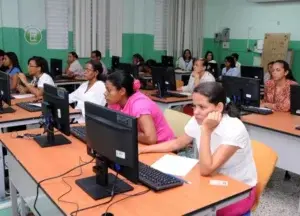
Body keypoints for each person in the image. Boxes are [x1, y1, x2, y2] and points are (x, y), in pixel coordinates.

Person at [140, 82, 257, 216]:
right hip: (207, 181)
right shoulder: (198, 119)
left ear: (219, 107)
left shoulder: (234, 128)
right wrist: (143, 150)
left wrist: (206, 130)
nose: (195, 112)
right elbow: (177, 143)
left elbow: (207, 169)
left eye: (202, 107)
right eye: (194, 106)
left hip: (237, 191)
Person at [105, 71, 175, 144]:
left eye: (109, 90)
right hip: (140, 143)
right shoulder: (115, 102)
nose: (105, 93)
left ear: (122, 91)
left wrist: (125, 131)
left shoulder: (139, 106)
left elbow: (150, 138)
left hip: (163, 146)